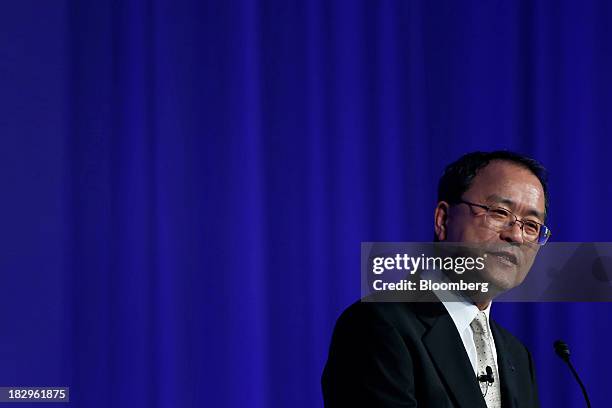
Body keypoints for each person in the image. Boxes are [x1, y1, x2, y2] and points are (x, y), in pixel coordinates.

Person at [322, 151, 550, 408]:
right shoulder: (376, 325)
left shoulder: (517, 356)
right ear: (443, 220)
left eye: (531, 226)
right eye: (499, 212)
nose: (517, 236)